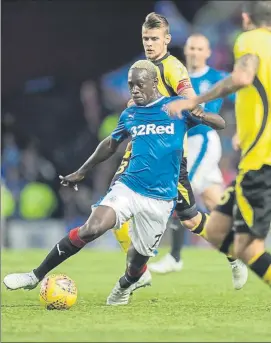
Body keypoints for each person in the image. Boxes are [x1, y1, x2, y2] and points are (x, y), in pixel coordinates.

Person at [3, 60, 225, 306]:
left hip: (161, 199)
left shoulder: (175, 107)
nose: (134, 90)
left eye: (139, 84)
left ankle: (125, 285)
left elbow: (220, 123)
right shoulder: (130, 113)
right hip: (129, 187)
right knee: (92, 228)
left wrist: (199, 112)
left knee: (137, 264)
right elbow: (110, 144)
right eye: (131, 85)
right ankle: (35, 275)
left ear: (154, 83)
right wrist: (82, 171)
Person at [110, 12, 247, 291]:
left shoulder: (178, 70)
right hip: (150, 150)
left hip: (188, 146)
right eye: (145, 38)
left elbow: (189, 101)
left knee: (188, 214)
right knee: (114, 206)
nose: (149, 43)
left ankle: (174, 256)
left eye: (154, 39)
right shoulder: (145, 67)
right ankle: (144, 270)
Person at [166, 1, 271, 289]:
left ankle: (176, 256)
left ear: (246, 18)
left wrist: (194, 100)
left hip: (261, 162)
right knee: (215, 227)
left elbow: (241, 78)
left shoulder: (249, 39)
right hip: (254, 159)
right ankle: (226, 260)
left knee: (251, 248)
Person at [148, 34, 246, 285]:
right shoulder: (177, 79)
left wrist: (242, 132)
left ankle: (176, 256)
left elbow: (242, 100)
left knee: (178, 191)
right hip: (182, 142)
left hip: (203, 140)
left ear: (208, 52)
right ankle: (241, 243)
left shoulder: (215, 78)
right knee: (214, 199)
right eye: (191, 47)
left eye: (199, 48)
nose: (194, 52)